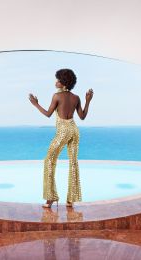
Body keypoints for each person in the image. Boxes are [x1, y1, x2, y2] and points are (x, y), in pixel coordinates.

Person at [29, 68, 94, 208]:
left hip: (64, 130)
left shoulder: (56, 96)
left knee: (49, 160)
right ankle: (71, 199)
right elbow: (82, 117)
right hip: (74, 130)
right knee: (73, 162)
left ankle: (50, 198)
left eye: (58, 79)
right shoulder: (76, 97)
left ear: (63, 82)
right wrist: (88, 101)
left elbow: (48, 114)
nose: (56, 81)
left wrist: (35, 104)